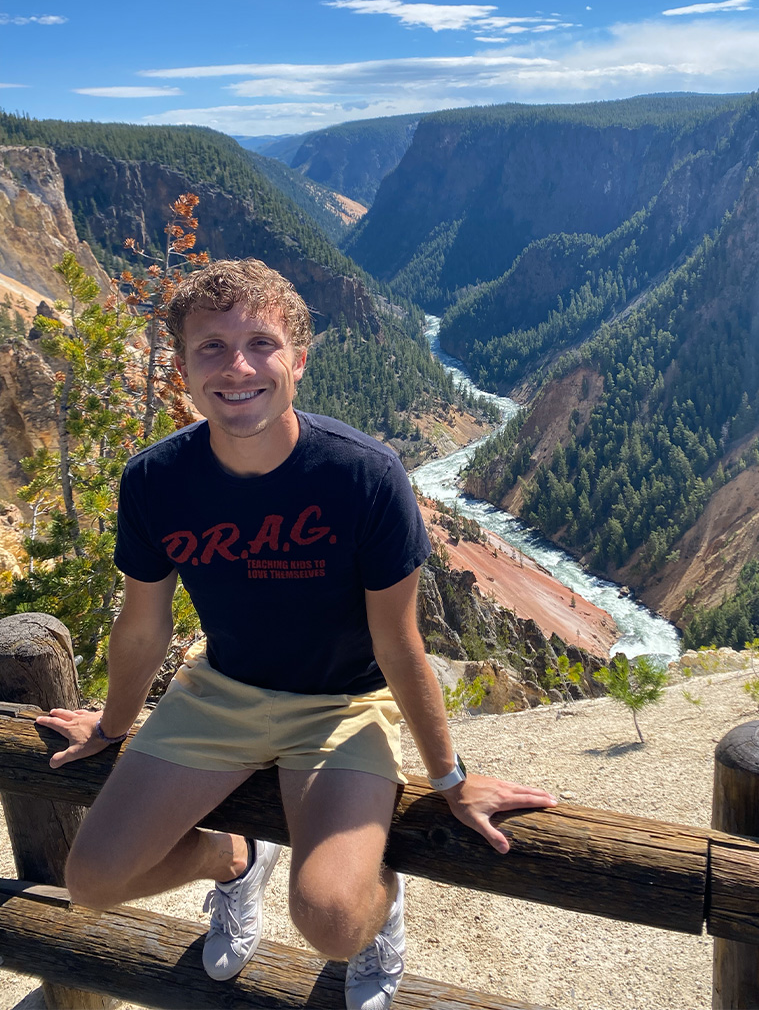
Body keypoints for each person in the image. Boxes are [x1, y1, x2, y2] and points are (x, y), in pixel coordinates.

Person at [36, 258, 557, 1010]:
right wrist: (113, 725)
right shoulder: (154, 481)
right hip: (218, 693)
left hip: (344, 707)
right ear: (181, 368)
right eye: (210, 348)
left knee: (333, 922)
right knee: (92, 882)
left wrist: (450, 777)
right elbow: (142, 625)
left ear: (299, 362)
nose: (237, 366)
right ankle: (235, 859)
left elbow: (398, 643)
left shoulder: (364, 476)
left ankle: (383, 908)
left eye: (261, 343)